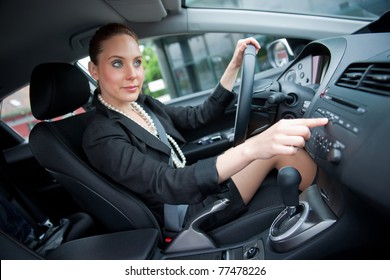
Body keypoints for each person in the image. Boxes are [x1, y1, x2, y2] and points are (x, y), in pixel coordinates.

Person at [82, 23, 328, 230]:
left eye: (136, 62)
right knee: (280, 148)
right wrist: (251, 148)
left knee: (272, 141)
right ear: (94, 70)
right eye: (117, 64)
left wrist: (234, 66)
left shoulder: (143, 104)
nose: (132, 74)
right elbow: (166, 182)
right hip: (183, 214)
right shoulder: (100, 135)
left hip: (191, 190)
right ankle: (337, 215)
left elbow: (197, 117)